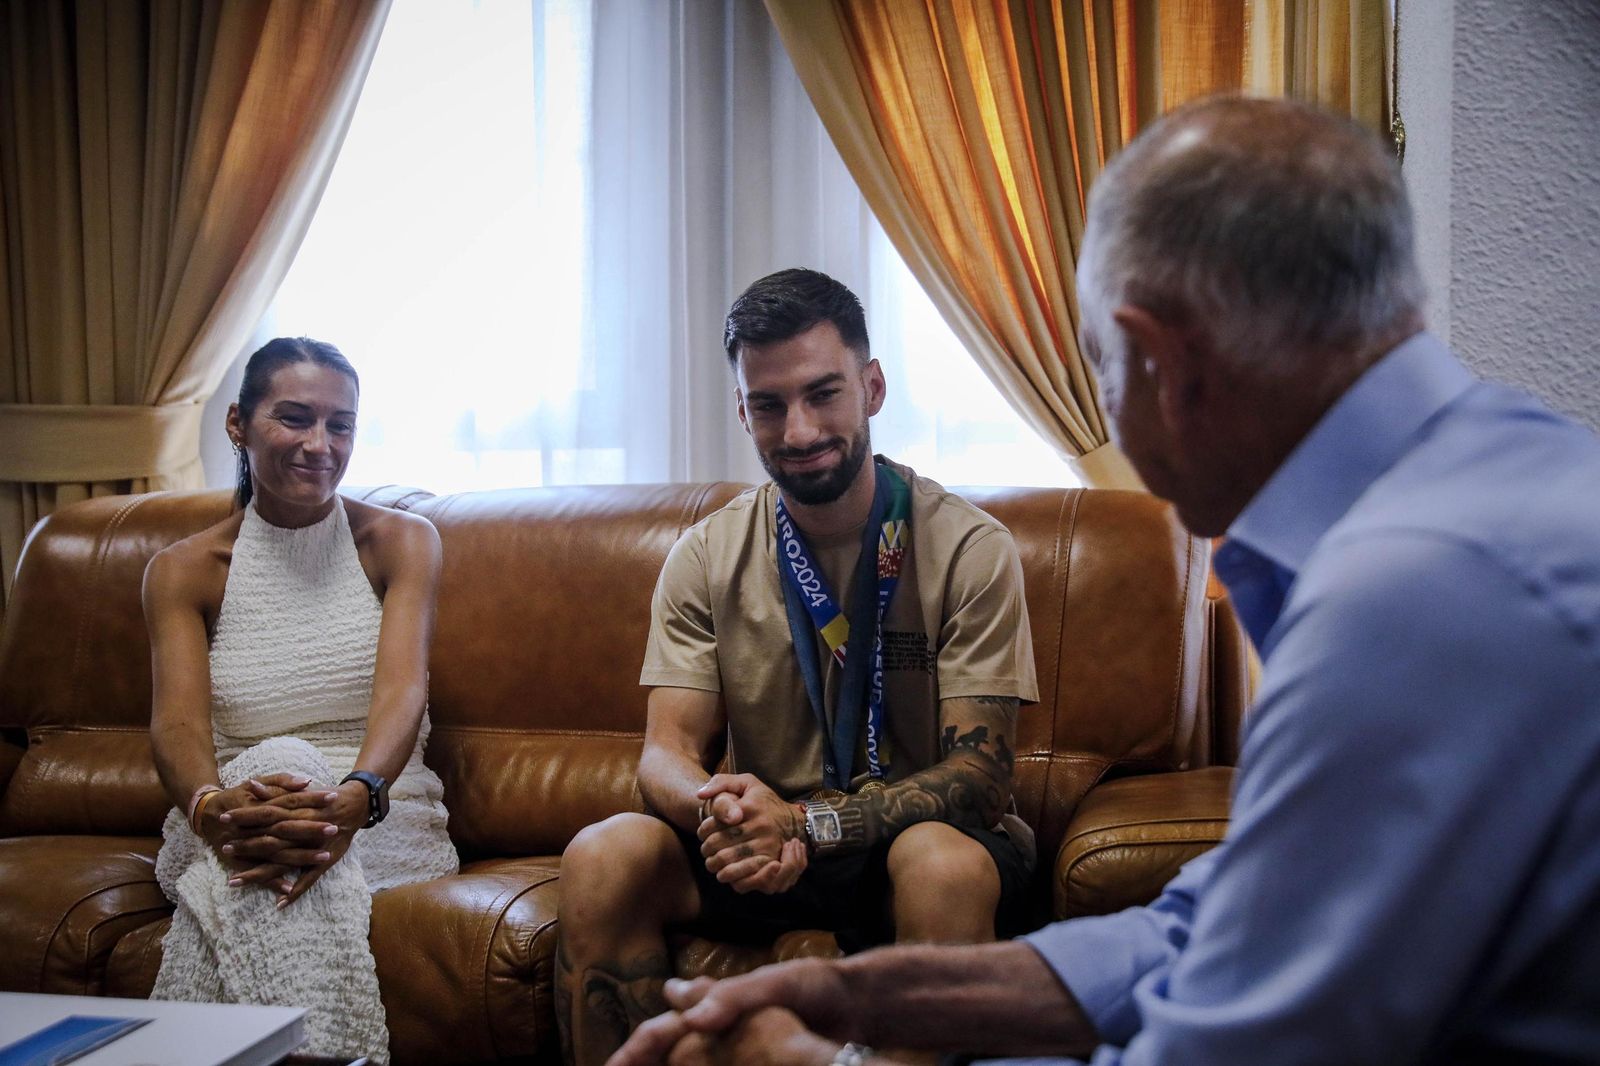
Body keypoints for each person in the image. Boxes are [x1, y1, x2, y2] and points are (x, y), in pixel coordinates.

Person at [608, 97, 1600, 1066]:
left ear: (1158, 360)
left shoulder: (1410, 605)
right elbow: (1210, 926)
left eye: (1095, 366)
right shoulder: (1505, 482)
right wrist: (862, 993)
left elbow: (1224, 1040)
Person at [556, 268, 1040, 1065]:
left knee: (942, 865)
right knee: (604, 853)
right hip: (767, 846)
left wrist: (813, 824)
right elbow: (665, 754)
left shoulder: (969, 549)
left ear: (872, 386)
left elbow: (981, 779)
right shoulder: (706, 554)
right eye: (770, 405)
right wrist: (725, 812)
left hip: (910, 844)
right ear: (744, 411)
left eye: (824, 393)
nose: (801, 429)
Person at [144, 337, 458, 1064]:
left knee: (237, 886)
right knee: (280, 773)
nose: (320, 444)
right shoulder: (182, 572)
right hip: (225, 817)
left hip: (384, 812)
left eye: (339, 424)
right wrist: (209, 811)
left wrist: (360, 790)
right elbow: (177, 723)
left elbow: (404, 689)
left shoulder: (402, 542)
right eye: (295, 418)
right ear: (238, 425)